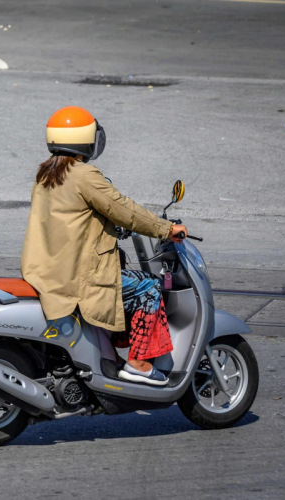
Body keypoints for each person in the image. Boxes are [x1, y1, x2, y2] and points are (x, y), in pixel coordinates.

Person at [21, 106, 187, 386]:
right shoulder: (84, 174)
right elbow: (123, 209)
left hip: (46, 270)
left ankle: (107, 355)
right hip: (77, 276)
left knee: (125, 277)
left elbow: (73, 218)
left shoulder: (46, 175)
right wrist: (167, 229)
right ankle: (138, 363)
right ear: (86, 140)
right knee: (148, 286)